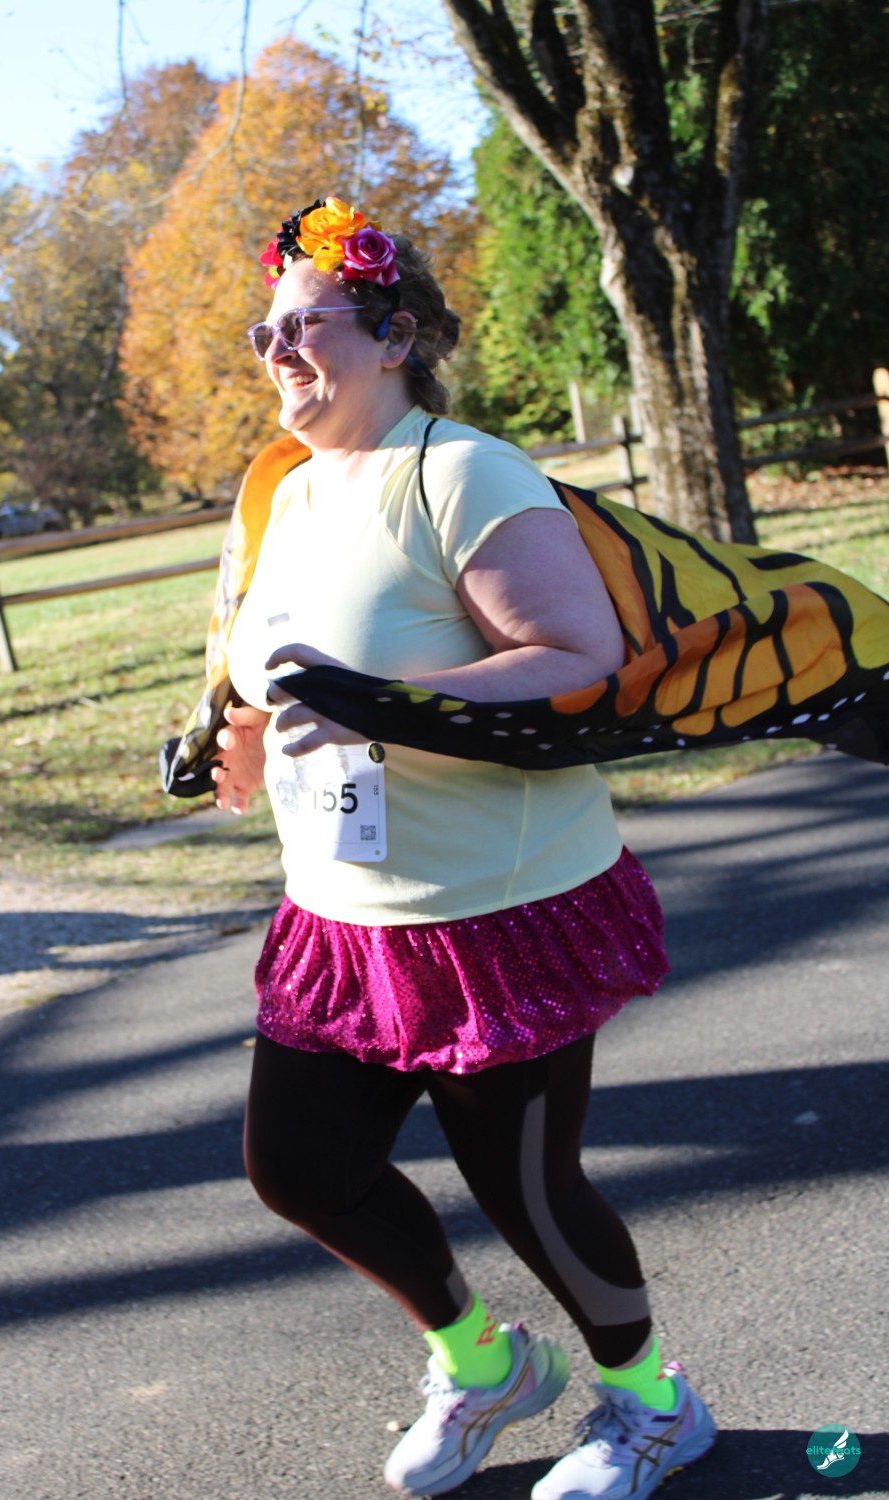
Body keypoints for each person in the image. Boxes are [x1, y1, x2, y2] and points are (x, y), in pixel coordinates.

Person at [210, 195, 716, 1500]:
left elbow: (577, 655)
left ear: (396, 338)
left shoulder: (461, 473)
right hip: (340, 917)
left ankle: (657, 1408)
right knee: (302, 1169)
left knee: (528, 1192)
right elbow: (284, 680)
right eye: (267, 333)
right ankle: (486, 1366)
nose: (279, 352)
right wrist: (243, 742)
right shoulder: (282, 494)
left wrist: (391, 706)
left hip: (499, 909)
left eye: (306, 326)